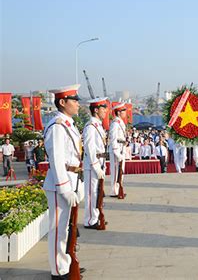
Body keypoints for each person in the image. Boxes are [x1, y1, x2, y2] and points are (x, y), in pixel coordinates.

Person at [43, 84, 85, 279]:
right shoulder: (57, 126)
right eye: (74, 100)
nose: (77, 104)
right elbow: (57, 159)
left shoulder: (68, 124)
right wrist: (65, 189)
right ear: (62, 102)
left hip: (72, 179)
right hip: (61, 183)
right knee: (58, 229)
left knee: (67, 229)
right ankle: (58, 271)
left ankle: (65, 264)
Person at [82, 97, 108, 229]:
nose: (106, 111)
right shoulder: (90, 126)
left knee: (97, 192)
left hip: (99, 161)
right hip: (93, 164)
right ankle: (90, 220)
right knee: (92, 193)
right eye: (103, 108)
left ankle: (96, 216)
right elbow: (90, 148)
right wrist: (96, 167)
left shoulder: (98, 125)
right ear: (96, 110)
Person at [108, 102, 127, 197]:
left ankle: (119, 188)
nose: (125, 112)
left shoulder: (120, 122)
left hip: (121, 147)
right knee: (116, 170)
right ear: (118, 112)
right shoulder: (115, 123)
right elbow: (113, 138)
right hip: (117, 149)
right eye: (123, 110)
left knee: (120, 171)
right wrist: (116, 152)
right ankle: (114, 191)